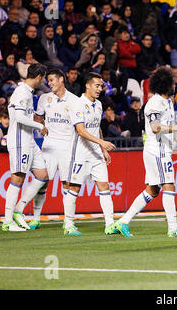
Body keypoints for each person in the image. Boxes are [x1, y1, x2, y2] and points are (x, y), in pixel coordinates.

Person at [113, 66, 177, 238]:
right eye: (173, 81)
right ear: (166, 84)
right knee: (169, 185)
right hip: (157, 149)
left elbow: (171, 129)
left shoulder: (168, 103)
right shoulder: (154, 103)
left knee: (153, 190)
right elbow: (156, 127)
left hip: (162, 149)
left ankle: (123, 222)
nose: (175, 84)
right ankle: (173, 228)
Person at [26, 69, 79, 231]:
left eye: (52, 80)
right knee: (42, 182)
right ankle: (35, 219)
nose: (49, 83)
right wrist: (40, 125)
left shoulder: (75, 100)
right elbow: (38, 116)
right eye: (48, 81)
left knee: (68, 184)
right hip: (49, 146)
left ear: (61, 79)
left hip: (67, 146)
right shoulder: (44, 98)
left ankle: (68, 223)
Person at [65, 72, 117, 235]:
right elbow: (81, 130)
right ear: (87, 85)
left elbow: (97, 128)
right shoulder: (78, 104)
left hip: (95, 153)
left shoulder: (99, 104)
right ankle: (68, 224)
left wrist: (102, 150)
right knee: (74, 187)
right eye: (97, 85)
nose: (100, 89)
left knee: (104, 186)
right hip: (80, 153)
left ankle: (110, 224)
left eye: (101, 86)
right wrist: (102, 143)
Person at [2, 63, 49, 232]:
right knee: (18, 178)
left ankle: (18, 210)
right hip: (20, 140)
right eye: (43, 77)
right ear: (38, 77)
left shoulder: (27, 92)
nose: (43, 81)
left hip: (29, 140)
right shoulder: (21, 92)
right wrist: (39, 126)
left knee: (43, 175)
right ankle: (7, 221)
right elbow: (20, 118)